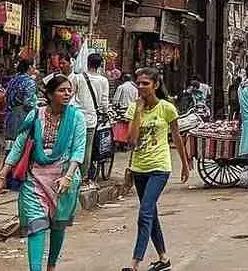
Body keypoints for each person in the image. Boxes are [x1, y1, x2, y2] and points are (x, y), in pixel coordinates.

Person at [0, 74, 88, 271]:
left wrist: (68, 176)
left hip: (63, 179)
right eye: (62, 90)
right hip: (34, 179)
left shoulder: (77, 117)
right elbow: (19, 146)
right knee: (36, 225)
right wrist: (2, 175)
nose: (67, 93)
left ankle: (51, 266)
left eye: (69, 90)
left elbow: (79, 149)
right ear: (50, 94)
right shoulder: (35, 115)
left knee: (58, 225)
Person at [123, 68, 190, 271]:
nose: (141, 86)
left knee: (144, 213)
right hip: (138, 168)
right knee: (151, 213)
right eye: (139, 83)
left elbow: (177, 136)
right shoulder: (133, 108)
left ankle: (135, 263)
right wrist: (138, 110)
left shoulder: (166, 108)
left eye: (146, 83)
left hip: (159, 167)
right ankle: (163, 259)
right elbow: (132, 140)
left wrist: (185, 164)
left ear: (156, 85)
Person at [71, 53, 111, 180]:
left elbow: (70, 95)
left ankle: (69, 173)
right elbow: (104, 102)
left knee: (72, 145)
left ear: (87, 63)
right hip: (90, 119)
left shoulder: (77, 78)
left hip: (75, 116)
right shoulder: (103, 81)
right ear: (100, 65)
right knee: (86, 148)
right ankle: (82, 177)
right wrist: (105, 113)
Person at [4, 59, 39, 143]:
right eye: (34, 66)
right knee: (23, 145)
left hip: (10, 115)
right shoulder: (29, 82)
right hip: (23, 116)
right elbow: (28, 103)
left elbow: (6, 96)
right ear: (30, 67)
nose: (35, 68)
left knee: (12, 144)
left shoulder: (13, 80)